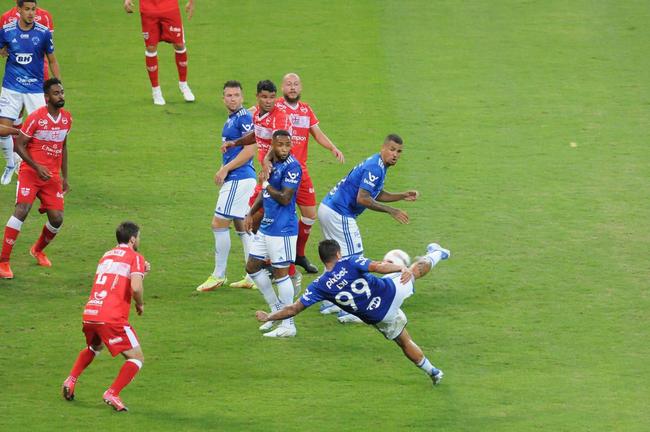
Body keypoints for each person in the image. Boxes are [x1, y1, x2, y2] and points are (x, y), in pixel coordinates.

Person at [256, 239, 450, 386]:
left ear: (324, 260)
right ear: (338, 254)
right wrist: (401, 267)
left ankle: (433, 372)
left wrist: (270, 317)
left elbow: (294, 309)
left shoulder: (319, 286)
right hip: (389, 292)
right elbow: (378, 267)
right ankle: (438, 253)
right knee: (415, 271)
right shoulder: (349, 262)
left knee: (404, 341)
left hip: (378, 315)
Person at [317, 133, 418, 319]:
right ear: (383, 148)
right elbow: (363, 198)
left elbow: (375, 193)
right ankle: (355, 308)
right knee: (356, 260)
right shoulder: (375, 168)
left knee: (336, 259)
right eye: (392, 150)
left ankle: (328, 302)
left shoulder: (378, 164)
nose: (395, 154)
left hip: (327, 207)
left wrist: (401, 195)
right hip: (340, 213)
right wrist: (391, 211)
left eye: (399, 152)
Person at [62, 221, 151, 412]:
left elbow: (116, 279)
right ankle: (113, 392)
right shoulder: (135, 257)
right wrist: (140, 303)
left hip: (91, 312)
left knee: (95, 346)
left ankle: (70, 380)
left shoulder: (106, 255)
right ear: (133, 239)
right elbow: (135, 287)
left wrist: (141, 271)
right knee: (136, 358)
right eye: (139, 237)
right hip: (111, 317)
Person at [221, 79, 295, 290]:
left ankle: (278, 265)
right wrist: (234, 142)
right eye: (264, 97)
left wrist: (266, 161)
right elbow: (255, 135)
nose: (269, 101)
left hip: (279, 175)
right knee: (253, 220)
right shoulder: (257, 116)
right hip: (267, 175)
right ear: (257, 97)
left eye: (272, 97)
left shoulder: (279, 118)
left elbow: (280, 144)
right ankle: (274, 264)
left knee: (260, 219)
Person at [0, 78, 69, 279]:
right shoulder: (35, 118)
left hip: (52, 176)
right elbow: (19, 145)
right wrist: (36, 166)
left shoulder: (67, 119)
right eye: (56, 93)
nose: (61, 96)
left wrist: (65, 177)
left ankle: (37, 250)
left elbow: (64, 147)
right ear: (47, 98)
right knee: (22, 210)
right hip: (31, 172)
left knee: (57, 219)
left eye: (62, 92)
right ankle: (3, 261)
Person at [276, 73, 344, 274]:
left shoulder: (306, 110)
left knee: (309, 215)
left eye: (296, 84)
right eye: (289, 84)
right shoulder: (276, 106)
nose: (292, 87)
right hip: (281, 170)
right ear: (282, 88)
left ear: (301, 87)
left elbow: (317, 133)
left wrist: (332, 148)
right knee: (282, 217)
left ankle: (298, 254)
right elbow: (254, 114)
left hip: (301, 170)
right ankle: (279, 261)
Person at [196, 80, 257, 291]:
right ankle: (253, 276)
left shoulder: (244, 118)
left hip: (239, 178)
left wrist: (225, 169)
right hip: (241, 178)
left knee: (218, 224)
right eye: (229, 95)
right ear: (223, 99)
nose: (233, 99)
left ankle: (218, 275)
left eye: (236, 95)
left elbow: (250, 151)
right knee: (243, 226)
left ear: (242, 97)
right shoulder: (233, 119)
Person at [245, 129, 301, 338]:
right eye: (280, 145)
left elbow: (285, 198)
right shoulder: (272, 163)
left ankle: (288, 324)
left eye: (288, 144)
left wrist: (266, 183)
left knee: (280, 273)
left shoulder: (293, 167)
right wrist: (251, 213)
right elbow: (264, 193)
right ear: (273, 145)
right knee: (252, 266)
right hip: (268, 226)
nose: (284, 149)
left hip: (283, 229)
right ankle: (276, 310)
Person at [0, 0, 60, 185]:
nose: (31, 13)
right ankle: (11, 164)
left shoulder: (42, 33)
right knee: (2, 130)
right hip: (11, 87)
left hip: (35, 88)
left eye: (33, 9)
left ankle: (39, 171)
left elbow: (52, 60)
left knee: (44, 131)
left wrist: (58, 85)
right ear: (18, 10)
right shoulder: (7, 30)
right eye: (27, 9)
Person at [124, 0, 195, 105]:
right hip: (148, 10)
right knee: (151, 47)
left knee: (179, 45)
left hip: (170, 8)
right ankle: (156, 91)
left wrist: (191, 2)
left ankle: (183, 84)